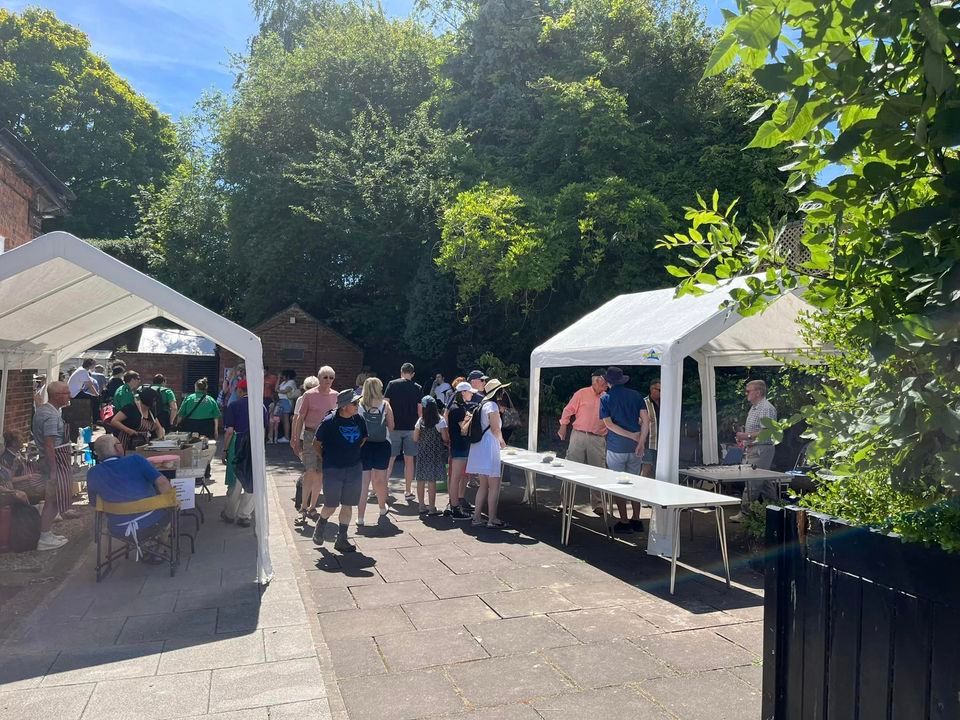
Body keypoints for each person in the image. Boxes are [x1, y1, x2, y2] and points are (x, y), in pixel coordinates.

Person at [87, 435, 174, 562]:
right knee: (171, 508)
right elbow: (163, 483)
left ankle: (146, 545)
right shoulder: (135, 460)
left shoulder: (93, 473)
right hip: (151, 524)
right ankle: (158, 550)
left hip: (118, 528)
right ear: (117, 448)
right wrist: (173, 503)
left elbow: (94, 503)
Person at [312, 388, 367, 552]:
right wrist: (326, 458)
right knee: (331, 504)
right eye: (354, 403)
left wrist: (352, 451)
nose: (358, 405)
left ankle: (342, 539)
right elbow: (316, 443)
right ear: (344, 406)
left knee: (348, 504)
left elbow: (363, 438)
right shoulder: (329, 422)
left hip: (354, 467)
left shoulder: (358, 419)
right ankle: (321, 524)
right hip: (333, 469)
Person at [599, 367, 644, 534]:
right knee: (635, 482)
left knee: (618, 484)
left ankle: (624, 521)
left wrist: (630, 436)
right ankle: (637, 519)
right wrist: (641, 440)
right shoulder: (636, 395)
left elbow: (609, 424)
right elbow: (646, 421)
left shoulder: (605, 398)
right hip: (635, 448)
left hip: (616, 446)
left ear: (608, 381)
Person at [292, 367, 338, 526]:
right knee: (310, 471)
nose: (328, 380)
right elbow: (299, 418)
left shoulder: (335, 396)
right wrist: (296, 439)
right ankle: (303, 508)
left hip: (328, 438)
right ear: (319, 378)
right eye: (325, 377)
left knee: (320, 473)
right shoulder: (309, 395)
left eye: (331, 377)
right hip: (311, 435)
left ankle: (312, 507)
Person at [557, 369, 609, 514]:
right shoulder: (581, 393)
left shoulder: (607, 397)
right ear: (597, 381)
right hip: (579, 435)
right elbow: (568, 410)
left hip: (598, 438)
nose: (607, 385)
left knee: (598, 471)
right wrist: (563, 427)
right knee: (570, 469)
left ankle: (598, 504)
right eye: (605, 382)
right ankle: (565, 502)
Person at [31, 380, 72, 550]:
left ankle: (47, 533)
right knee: (52, 500)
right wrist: (54, 470)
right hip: (53, 462)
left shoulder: (45, 410)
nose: (69, 395)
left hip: (52, 460)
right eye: (66, 393)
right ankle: (44, 537)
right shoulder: (51, 415)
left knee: (53, 499)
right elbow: (49, 444)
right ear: (56, 396)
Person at [730, 379, 779, 522]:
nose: (746, 393)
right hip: (755, 448)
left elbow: (769, 431)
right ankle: (776, 509)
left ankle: (745, 514)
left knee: (752, 482)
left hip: (761, 449)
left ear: (758, 392)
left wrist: (747, 436)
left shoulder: (766, 408)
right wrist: (744, 439)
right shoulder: (755, 407)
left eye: (748, 391)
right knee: (763, 482)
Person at [221, 379, 268, 527]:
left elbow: (229, 431)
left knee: (236, 480)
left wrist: (224, 450)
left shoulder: (234, 405)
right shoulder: (262, 407)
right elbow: (264, 430)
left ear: (240, 391)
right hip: (255, 445)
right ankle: (245, 515)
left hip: (238, 443)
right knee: (252, 480)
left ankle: (229, 513)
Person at [467, 378, 510, 529]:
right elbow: (495, 429)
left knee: (483, 485)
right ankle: (492, 519)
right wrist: (503, 443)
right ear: (497, 392)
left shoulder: (482, 403)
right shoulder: (492, 406)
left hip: (479, 447)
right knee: (494, 486)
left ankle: (477, 517)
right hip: (489, 447)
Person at [357, 377, 394, 527]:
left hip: (364, 444)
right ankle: (381, 508)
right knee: (380, 480)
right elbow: (391, 426)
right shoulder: (385, 404)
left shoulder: (358, 404)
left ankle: (360, 517)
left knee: (364, 483)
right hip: (382, 445)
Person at [384, 363, 422, 502]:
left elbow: (386, 404)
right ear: (412, 374)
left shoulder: (392, 385)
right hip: (411, 428)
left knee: (390, 459)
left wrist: (388, 423)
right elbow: (419, 410)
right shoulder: (417, 388)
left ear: (401, 372)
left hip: (394, 427)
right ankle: (407, 490)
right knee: (409, 460)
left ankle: (384, 488)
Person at [175, 377, 221, 482]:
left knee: (190, 448)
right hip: (206, 426)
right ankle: (206, 471)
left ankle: (191, 470)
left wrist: (178, 425)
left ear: (196, 387)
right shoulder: (210, 399)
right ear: (206, 388)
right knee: (205, 448)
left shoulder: (189, 398)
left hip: (191, 426)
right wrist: (216, 430)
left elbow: (181, 414)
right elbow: (216, 417)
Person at [444, 381, 475, 519]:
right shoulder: (458, 409)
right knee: (456, 477)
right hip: (460, 446)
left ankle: (453, 505)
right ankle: (455, 508)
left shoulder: (452, 407)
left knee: (455, 477)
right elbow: (465, 429)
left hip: (457, 445)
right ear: (463, 393)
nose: (471, 395)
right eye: (469, 392)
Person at [414, 395, 448, 516]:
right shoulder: (440, 420)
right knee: (431, 480)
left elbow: (415, 437)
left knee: (421, 480)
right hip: (435, 453)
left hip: (422, 453)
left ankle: (421, 506)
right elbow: (445, 437)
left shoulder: (420, 421)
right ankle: (432, 507)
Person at [291, 375, 320, 513]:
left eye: (312, 388)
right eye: (307, 388)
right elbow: (296, 419)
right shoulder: (301, 399)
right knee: (309, 469)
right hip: (304, 437)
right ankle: (303, 500)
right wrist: (294, 437)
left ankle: (308, 501)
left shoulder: (320, 398)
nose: (309, 391)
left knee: (313, 470)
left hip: (316, 438)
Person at [110, 386, 165, 451]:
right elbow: (114, 421)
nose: (155, 403)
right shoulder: (130, 408)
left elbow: (158, 427)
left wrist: (160, 439)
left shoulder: (151, 412)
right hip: (127, 443)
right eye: (154, 401)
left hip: (143, 444)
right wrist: (128, 430)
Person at [638, 378, 661, 478]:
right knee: (646, 467)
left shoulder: (666, 403)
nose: (661, 393)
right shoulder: (644, 402)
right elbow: (638, 420)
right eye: (659, 390)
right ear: (652, 389)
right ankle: (640, 490)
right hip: (648, 442)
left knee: (660, 469)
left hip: (662, 443)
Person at [67, 358, 101, 427]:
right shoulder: (83, 371)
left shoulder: (81, 370)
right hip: (74, 393)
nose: (94, 366)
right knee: (95, 399)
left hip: (75, 392)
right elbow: (90, 384)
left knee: (92, 397)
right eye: (94, 365)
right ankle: (96, 419)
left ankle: (94, 418)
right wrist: (96, 394)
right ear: (90, 365)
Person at [276, 369, 299, 443]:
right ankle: (285, 435)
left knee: (286, 419)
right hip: (281, 401)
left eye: (283, 375)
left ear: (288, 376)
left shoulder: (291, 382)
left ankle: (287, 437)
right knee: (282, 419)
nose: (282, 377)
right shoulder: (283, 382)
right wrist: (278, 379)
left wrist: (278, 390)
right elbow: (276, 388)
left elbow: (285, 391)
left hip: (286, 401)